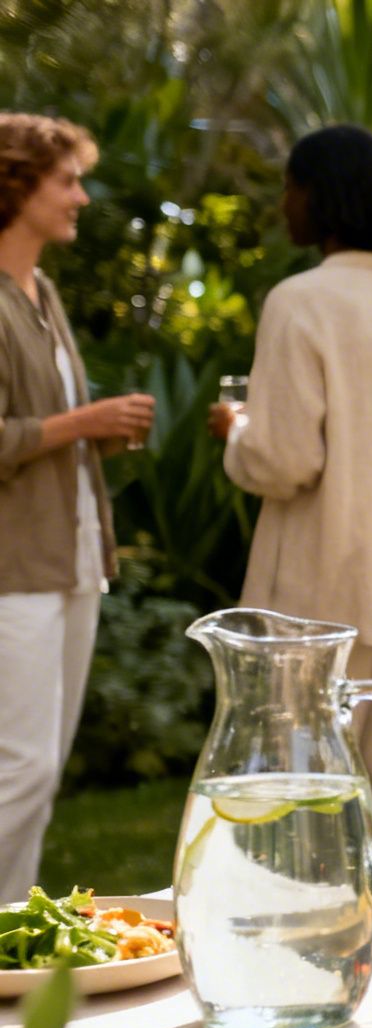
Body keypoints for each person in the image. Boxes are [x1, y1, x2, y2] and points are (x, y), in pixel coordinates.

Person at [208, 125, 372, 815]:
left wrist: (237, 433)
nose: (283, 203)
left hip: (321, 594)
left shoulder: (299, 301)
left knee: (304, 794)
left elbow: (285, 459)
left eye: (290, 186)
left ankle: (312, 920)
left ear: (319, 196)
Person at [0, 114, 155, 896]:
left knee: (41, 767)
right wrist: (82, 423)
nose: (81, 197)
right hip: (13, 567)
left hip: (72, 558)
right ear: (16, 183)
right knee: (19, 767)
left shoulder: (42, 290)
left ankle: (6, 948)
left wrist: (96, 434)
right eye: (66, 180)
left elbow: (42, 431)